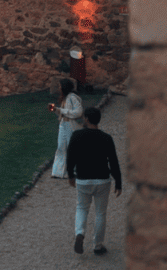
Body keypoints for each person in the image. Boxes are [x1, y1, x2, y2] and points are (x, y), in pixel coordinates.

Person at [66, 106, 121, 255]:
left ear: (86, 118)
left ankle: (80, 233)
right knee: (100, 213)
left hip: (83, 179)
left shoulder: (77, 135)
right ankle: (98, 246)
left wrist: (70, 175)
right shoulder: (106, 138)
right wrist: (118, 182)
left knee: (82, 208)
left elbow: (70, 157)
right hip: (102, 179)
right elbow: (113, 161)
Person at [50, 78, 84, 178]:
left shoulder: (72, 98)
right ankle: (58, 172)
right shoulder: (65, 98)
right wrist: (55, 109)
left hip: (71, 125)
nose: (59, 88)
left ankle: (74, 171)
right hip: (63, 125)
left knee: (72, 148)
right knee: (61, 147)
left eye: (60, 86)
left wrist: (61, 111)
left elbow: (78, 112)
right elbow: (63, 113)